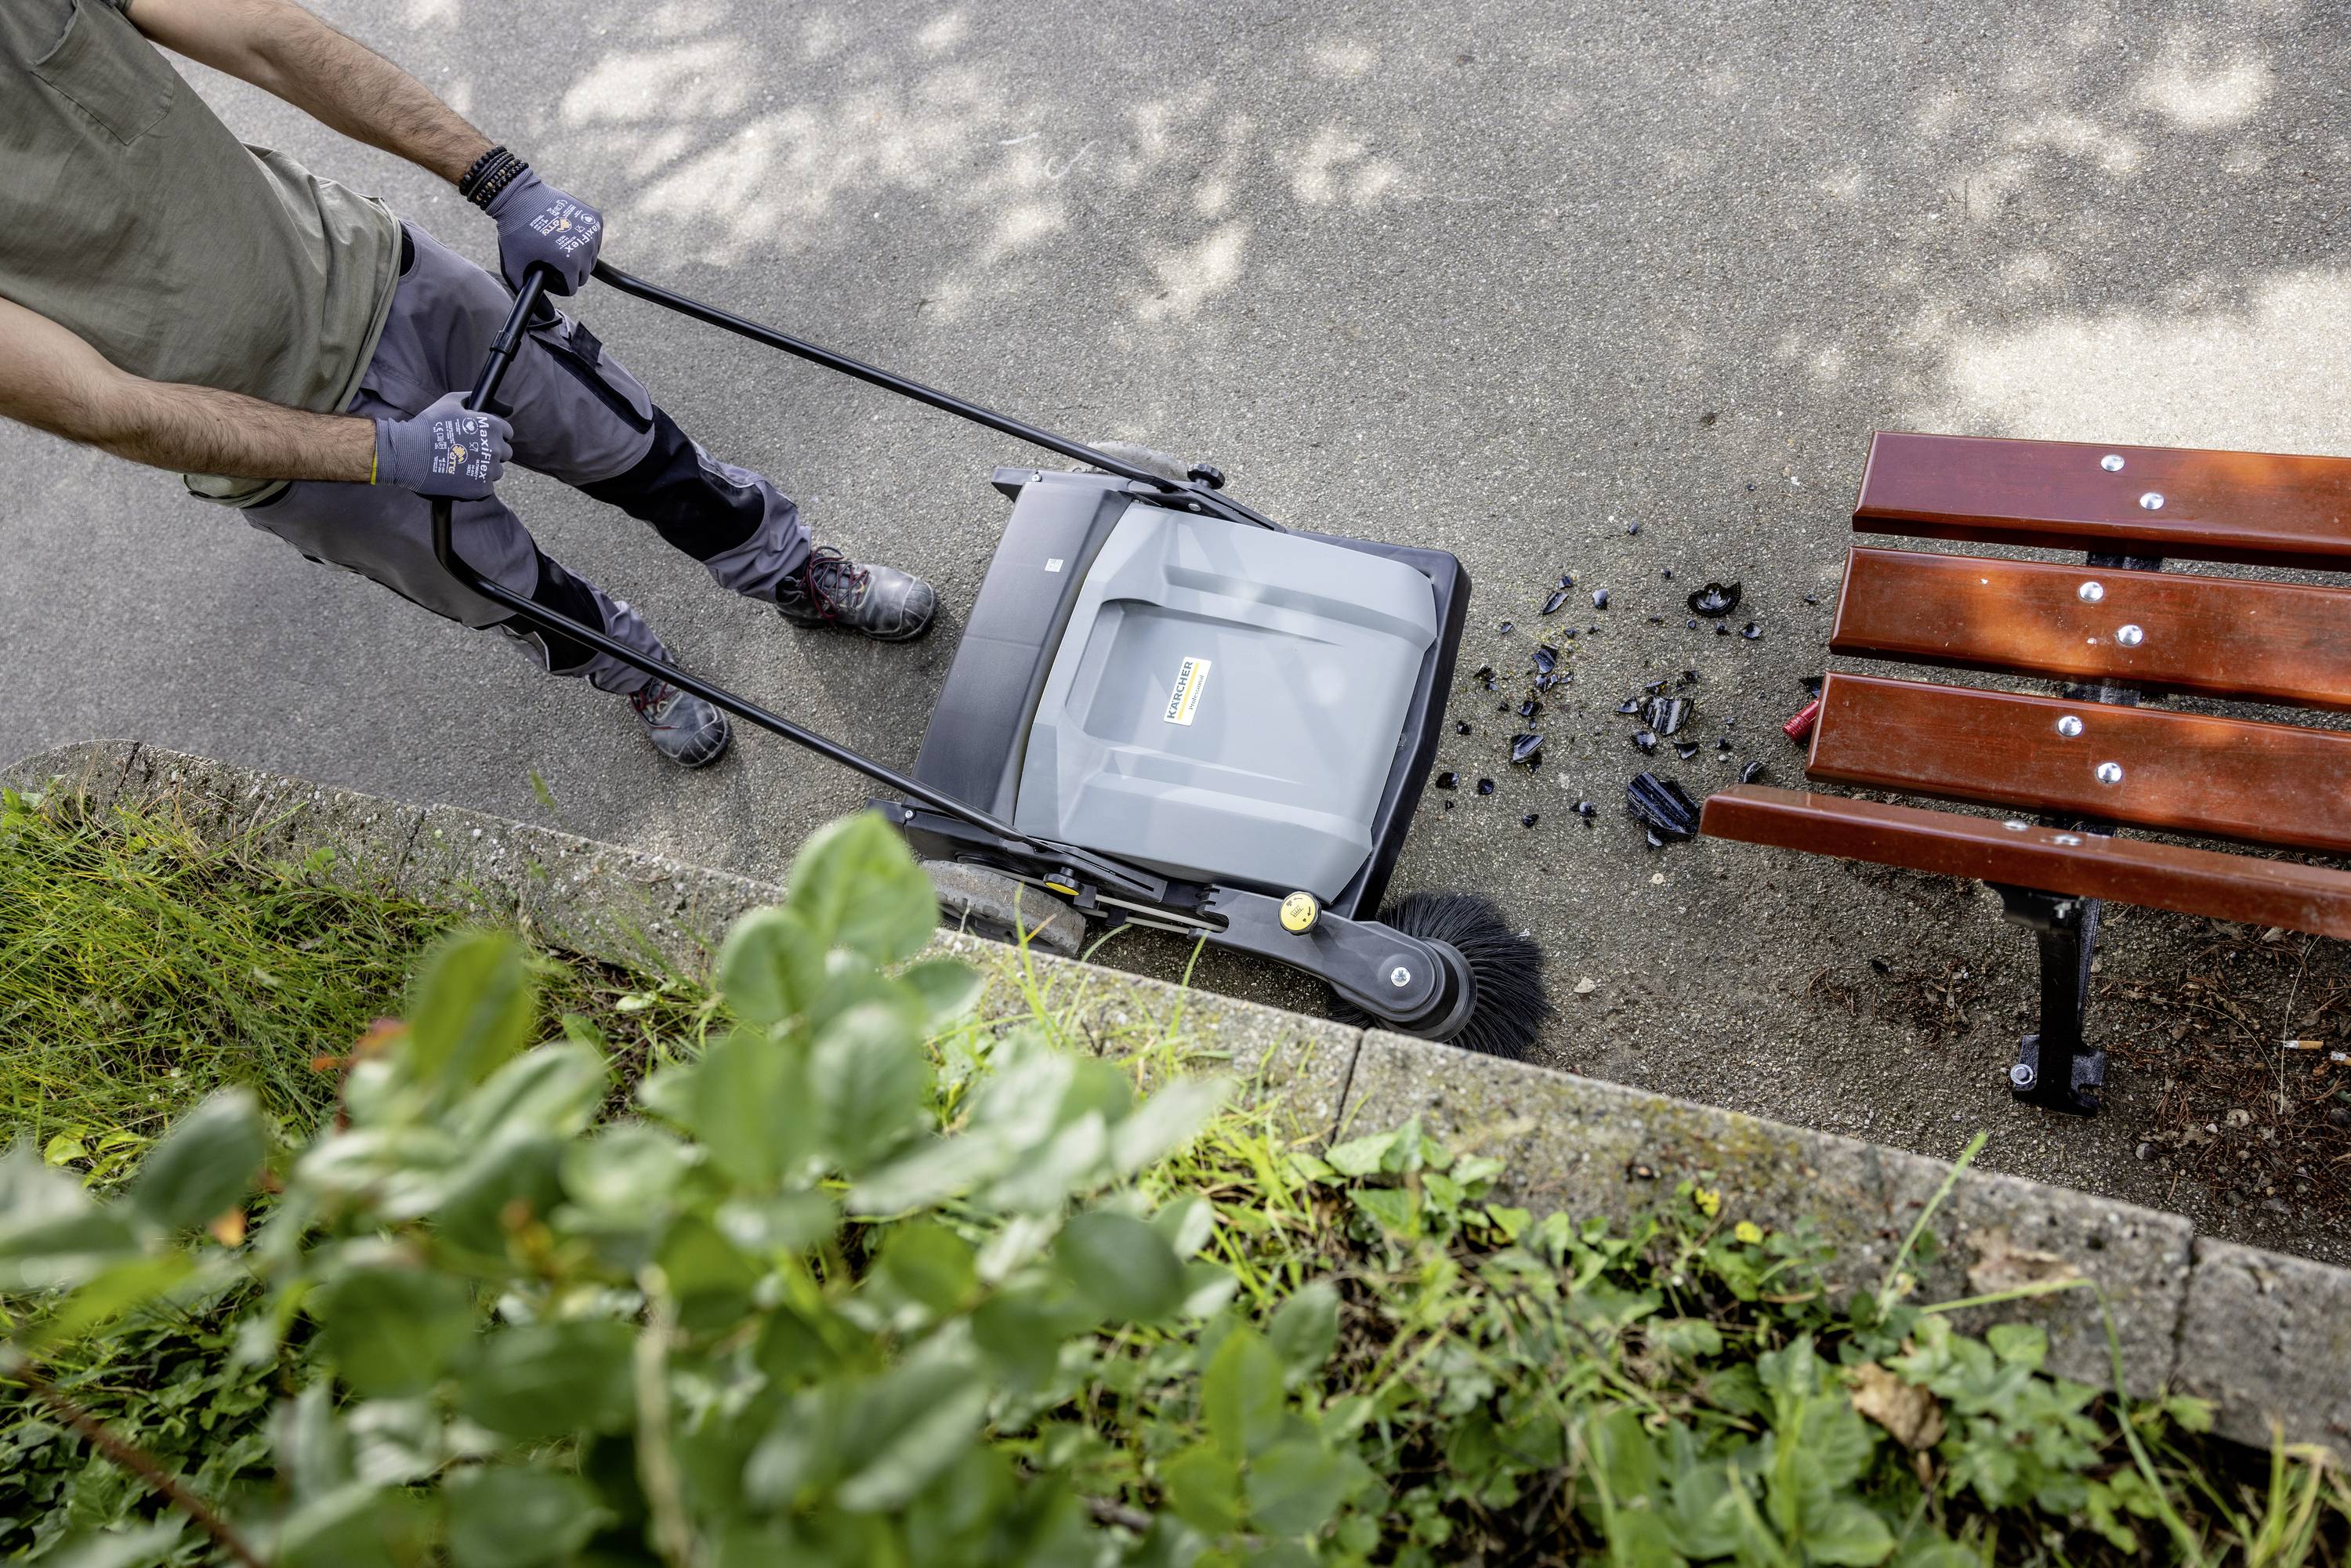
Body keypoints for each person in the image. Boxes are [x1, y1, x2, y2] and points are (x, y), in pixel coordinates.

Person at [0, 0, 939, 769]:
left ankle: (788, 570)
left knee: (639, 450)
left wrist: (498, 178)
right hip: (285, 447)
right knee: (505, 590)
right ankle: (636, 670)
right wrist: (383, 452)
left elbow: (267, 38)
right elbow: (97, 404)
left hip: (385, 279)